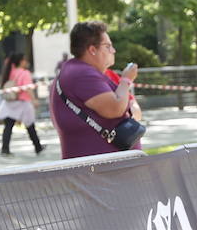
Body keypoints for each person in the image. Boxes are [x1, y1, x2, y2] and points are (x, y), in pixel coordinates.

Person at [49, 21, 142, 159]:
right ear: (92, 50)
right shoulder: (82, 74)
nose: (113, 50)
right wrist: (126, 80)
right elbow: (114, 108)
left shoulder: (76, 70)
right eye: (108, 46)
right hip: (99, 169)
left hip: (100, 167)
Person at [0, 53, 44, 156]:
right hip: (23, 102)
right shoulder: (25, 73)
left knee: (8, 126)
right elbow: (28, 88)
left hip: (10, 102)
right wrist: (34, 100)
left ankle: (5, 149)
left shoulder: (10, 71)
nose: (27, 62)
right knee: (30, 126)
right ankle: (38, 147)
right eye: (25, 60)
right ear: (21, 61)